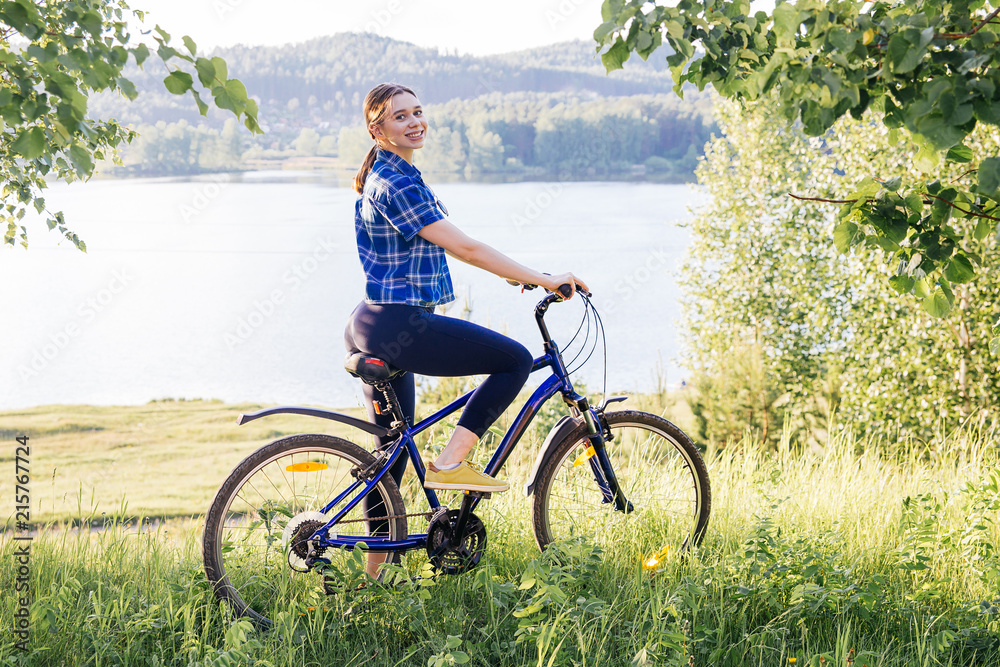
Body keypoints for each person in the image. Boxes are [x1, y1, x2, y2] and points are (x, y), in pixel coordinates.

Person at [343, 82, 588, 576]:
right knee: (516, 360)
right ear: (378, 129)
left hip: (369, 321)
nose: (414, 122)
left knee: (386, 461)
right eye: (399, 117)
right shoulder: (398, 183)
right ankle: (452, 464)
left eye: (418, 112)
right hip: (400, 324)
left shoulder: (390, 173)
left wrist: (520, 276)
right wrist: (541, 277)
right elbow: (469, 249)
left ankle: (370, 581)